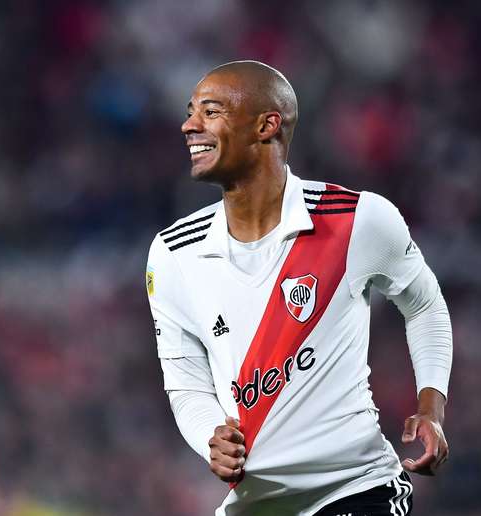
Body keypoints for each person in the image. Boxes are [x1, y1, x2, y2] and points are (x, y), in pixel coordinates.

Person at [145, 60, 452, 516]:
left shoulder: (356, 220)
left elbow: (424, 304)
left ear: (267, 125)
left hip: (356, 491)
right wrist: (212, 435)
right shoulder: (173, 253)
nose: (189, 125)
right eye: (192, 112)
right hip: (257, 505)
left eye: (210, 112)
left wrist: (431, 407)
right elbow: (184, 378)